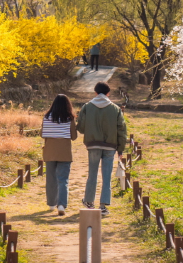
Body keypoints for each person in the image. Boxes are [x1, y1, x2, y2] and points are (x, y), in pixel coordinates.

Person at [76, 82, 126, 216]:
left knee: (92, 174)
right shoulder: (116, 109)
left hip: (93, 144)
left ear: (95, 92)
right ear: (108, 93)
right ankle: (103, 206)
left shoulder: (87, 107)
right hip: (110, 145)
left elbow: (80, 127)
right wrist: (120, 149)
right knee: (107, 176)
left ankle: (89, 202)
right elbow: (121, 130)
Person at [41, 94, 77, 216]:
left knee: (50, 179)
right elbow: (74, 137)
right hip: (65, 153)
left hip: (49, 151)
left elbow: (43, 134)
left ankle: (51, 203)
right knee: (63, 180)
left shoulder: (46, 117)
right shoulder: (69, 118)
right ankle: (61, 205)